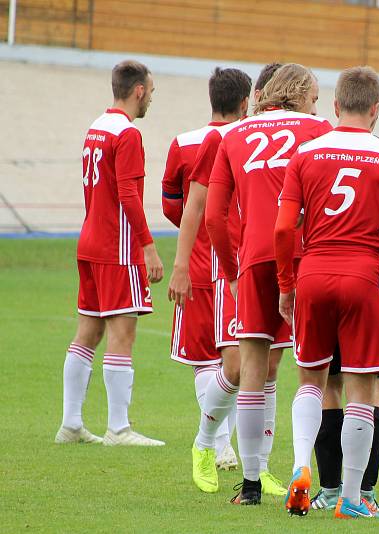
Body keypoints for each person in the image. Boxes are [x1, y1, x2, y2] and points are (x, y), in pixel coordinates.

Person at [275, 66, 379, 519]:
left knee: (312, 381)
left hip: (313, 272)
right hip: (365, 277)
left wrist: (286, 284)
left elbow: (283, 228)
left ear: (336, 107)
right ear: (376, 110)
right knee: (362, 388)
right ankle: (352, 498)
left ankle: (302, 469)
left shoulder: (305, 155)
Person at [206, 63, 332, 505]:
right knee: (315, 370)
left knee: (253, 371)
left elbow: (214, 218)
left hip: (256, 258)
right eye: (314, 96)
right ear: (300, 95)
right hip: (312, 255)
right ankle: (313, 472)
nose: (318, 104)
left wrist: (232, 272)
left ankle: (252, 484)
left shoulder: (234, 135)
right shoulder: (318, 129)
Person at [56, 60, 165, 447]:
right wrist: (148, 247)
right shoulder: (128, 135)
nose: (151, 97)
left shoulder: (96, 127)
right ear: (138, 90)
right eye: (150, 91)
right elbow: (128, 195)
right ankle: (118, 429)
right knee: (123, 331)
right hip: (117, 248)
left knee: (88, 330)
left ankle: (70, 423)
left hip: (89, 242)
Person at [162, 67, 251, 483]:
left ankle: (219, 444)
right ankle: (220, 444)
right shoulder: (246, 140)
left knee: (206, 360)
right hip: (234, 263)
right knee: (232, 357)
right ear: (245, 101)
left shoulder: (182, 143)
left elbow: (172, 206)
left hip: (198, 263)